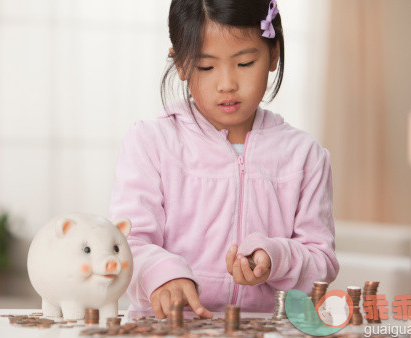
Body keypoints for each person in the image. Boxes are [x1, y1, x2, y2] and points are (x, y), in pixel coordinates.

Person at [109, 0, 339, 319]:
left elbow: (321, 264)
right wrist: (163, 275)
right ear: (181, 65)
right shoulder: (151, 142)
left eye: (245, 63)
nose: (227, 84)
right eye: (206, 66)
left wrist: (276, 258)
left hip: (266, 326)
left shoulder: (303, 155)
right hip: (168, 327)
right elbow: (125, 245)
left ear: (273, 55)